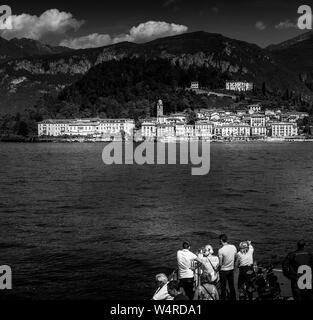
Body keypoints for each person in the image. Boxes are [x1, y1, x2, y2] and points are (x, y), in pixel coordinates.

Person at [218, 234, 237, 300]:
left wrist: (217, 269)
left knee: (223, 287)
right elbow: (235, 257)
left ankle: (223, 298)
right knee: (231, 286)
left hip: (223, 270)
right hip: (231, 269)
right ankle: (233, 298)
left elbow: (220, 264)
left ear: (221, 240)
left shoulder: (221, 250)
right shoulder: (233, 247)